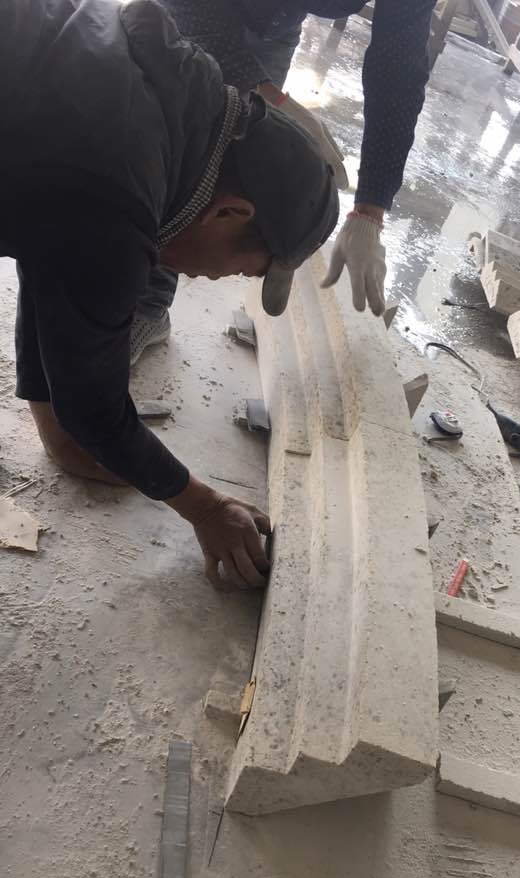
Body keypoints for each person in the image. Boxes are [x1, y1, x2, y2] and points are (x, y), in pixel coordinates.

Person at [1, 0, 338, 589]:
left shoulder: (156, 85)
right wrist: (204, 506)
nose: (219, 280)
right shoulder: (120, 198)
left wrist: (58, 420)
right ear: (230, 212)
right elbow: (94, 404)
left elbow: (51, 248)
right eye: (246, 268)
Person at [130, 0, 437, 362]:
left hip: (276, 25)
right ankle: (131, 272)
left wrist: (370, 211)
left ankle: (152, 300)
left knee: (251, 171)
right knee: (185, 139)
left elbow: (400, 63)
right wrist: (258, 87)